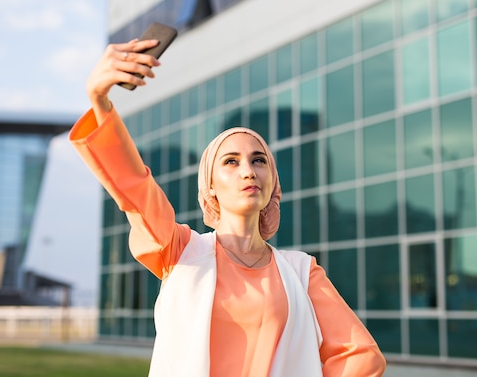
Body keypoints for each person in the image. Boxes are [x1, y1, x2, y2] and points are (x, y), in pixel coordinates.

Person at [69, 39, 386, 377]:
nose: (248, 170)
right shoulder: (179, 250)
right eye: (231, 161)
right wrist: (100, 102)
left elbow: (362, 356)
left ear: (273, 183)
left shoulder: (301, 272)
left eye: (258, 160)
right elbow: (134, 188)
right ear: (210, 188)